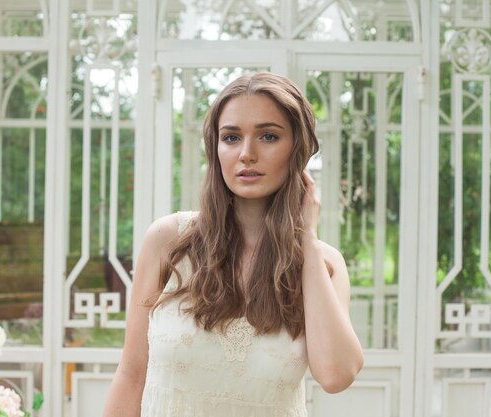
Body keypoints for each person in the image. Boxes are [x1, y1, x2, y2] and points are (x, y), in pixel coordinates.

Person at [102, 72, 363, 417]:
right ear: (215, 148)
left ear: (297, 149)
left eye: (268, 136)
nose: (247, 154)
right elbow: (131, 374)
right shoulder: (169, 240)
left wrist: (308, 241)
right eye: (231, 137)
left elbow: (335, 375)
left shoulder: (324, 263)